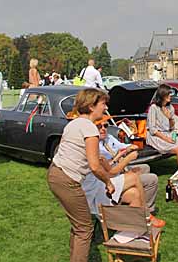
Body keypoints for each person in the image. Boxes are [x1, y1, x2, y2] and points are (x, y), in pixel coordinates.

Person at [47, 88, 115, 262]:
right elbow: (94, 166)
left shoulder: (73, 123)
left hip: (55, 173)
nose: (105, 107)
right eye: (103, 104)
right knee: (85, 229)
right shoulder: (90, 128)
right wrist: (108, 182)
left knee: (78, 225)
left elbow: (62, 149)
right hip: (67, 180)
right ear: (91, 106)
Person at [81, 115, 165, 227]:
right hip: (100, 187)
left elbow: (110, 165)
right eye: (99, 126)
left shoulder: (108, 138)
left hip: (105, 181)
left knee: (135, 191)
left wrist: (126, 151)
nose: (103, 128)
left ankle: (133, 227)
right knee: (136, 177)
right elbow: (110, 172)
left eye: (105, 126)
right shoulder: (93, 146)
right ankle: (146, 214)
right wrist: (127, 159)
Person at [146, 84, 178, 167]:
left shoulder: (170, 108)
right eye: (168, 94)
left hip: (168, 134)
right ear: (162, 95)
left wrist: (170, 118)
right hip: (157, 136)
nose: (171, 95)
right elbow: (153, 130)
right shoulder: (154, 108)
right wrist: (167, 139)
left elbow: (172, 128)